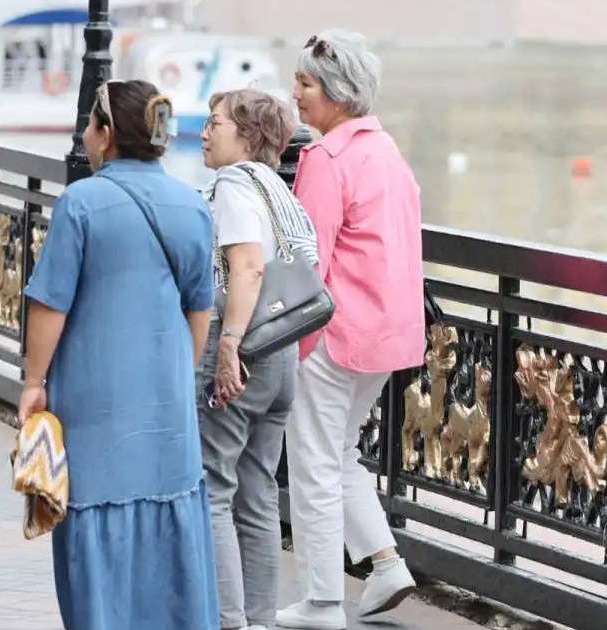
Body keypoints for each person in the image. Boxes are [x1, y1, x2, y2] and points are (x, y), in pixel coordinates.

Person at [18, 79, 219, 630]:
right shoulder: (191, 205)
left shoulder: (82, 201)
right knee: (170, 514)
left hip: (95, 398)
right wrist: (178, 374)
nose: (84, 133)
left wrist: (34, 381)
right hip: (167, 405)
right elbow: (198, 310)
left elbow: (50, 304)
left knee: (95, 520)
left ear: (107, 136)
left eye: (90, 123)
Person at [277, 29, 424, 630]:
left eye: (306, 84)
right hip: (388, 335)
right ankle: (385, 564)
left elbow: (305, 261)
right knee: (338, 454)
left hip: (332, 335)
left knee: (312, 461)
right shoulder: (389, 155)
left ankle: (321, 600)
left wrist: (285, 335)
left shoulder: (327, 158)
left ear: (337, 94)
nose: (296, 94)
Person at [197, 88, 318, 630]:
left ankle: (229, 620)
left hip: (244, 347)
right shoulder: (280, 189)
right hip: (283, 352)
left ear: (246, 135)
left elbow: (244, 266)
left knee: (213, 485)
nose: (204, 130)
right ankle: (260, 620)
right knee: (258, 491)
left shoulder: (233, 184)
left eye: (215, 121)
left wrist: (228, 347)